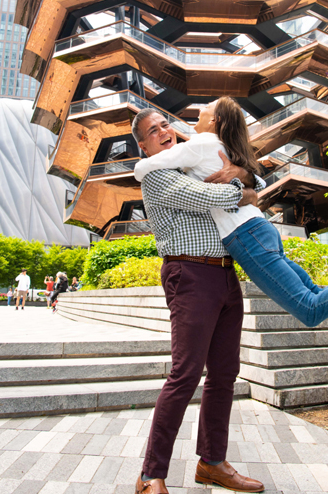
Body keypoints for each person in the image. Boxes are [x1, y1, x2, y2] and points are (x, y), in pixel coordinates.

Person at [134, 98, 328, 329]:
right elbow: (254, 182)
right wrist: (244, 184)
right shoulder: (215, 145)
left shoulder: (199, 143)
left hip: (246, 239)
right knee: (315, 292)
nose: (199, 108)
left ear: (214, 121)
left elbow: (148, 166)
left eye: (207, 106)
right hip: (260, 230)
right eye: (155, 130)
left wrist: (140, 166)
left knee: (309, 309)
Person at [130, 107, 265, 494]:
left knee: (225, 373)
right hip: (189, 274)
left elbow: (251, 178)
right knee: (185, 374)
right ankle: (150, 475)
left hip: (225, 274)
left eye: (164, 124)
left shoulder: (188, 164)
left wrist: (243, 178)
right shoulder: (156, 175)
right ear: (144, 146)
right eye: (153, 132)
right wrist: (241, 184)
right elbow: (216, 196)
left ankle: (212, 463)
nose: (163, 132)